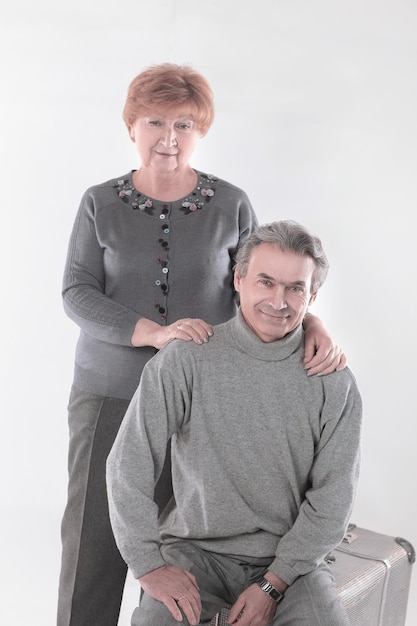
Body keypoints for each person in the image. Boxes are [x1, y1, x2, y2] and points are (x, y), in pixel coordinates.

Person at [58, 63, 346, 626]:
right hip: (110, 393)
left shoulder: (231, 203)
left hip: (204, 398)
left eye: (185, 125)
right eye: (155, 121)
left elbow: (267, 279)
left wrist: (315, 325)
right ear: (131, 126)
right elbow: (76, 291)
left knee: (189, 538)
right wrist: (154, 334)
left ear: (202, 131)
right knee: (95, 542)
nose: (169, 138)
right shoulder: (99, 202)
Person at [106, 220, 362, 626]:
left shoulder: (333, 382)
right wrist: (148, 566)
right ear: (239, 280)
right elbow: (128, 464)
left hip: (292, 565)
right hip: (195, 554)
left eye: (295, 288)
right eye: (265, 282)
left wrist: (274, 583)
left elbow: (333, 498)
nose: (279, 301)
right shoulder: (185, 360)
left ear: (312, 296)